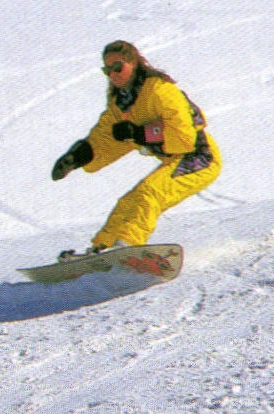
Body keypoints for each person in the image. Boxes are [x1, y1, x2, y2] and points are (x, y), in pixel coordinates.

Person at [49, 40, 221, 256]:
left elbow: (185, 135)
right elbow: (104, 137)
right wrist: (76, 157)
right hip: (173, 158)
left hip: (200, 157)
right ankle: (101, 249)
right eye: (107, 70)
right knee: (128, 202)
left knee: (150, 192)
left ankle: (129, 245)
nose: (113, 74)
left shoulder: (160, 90)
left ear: (134, 63)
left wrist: (140, 134)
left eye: (117, 67)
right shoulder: (121, 104)